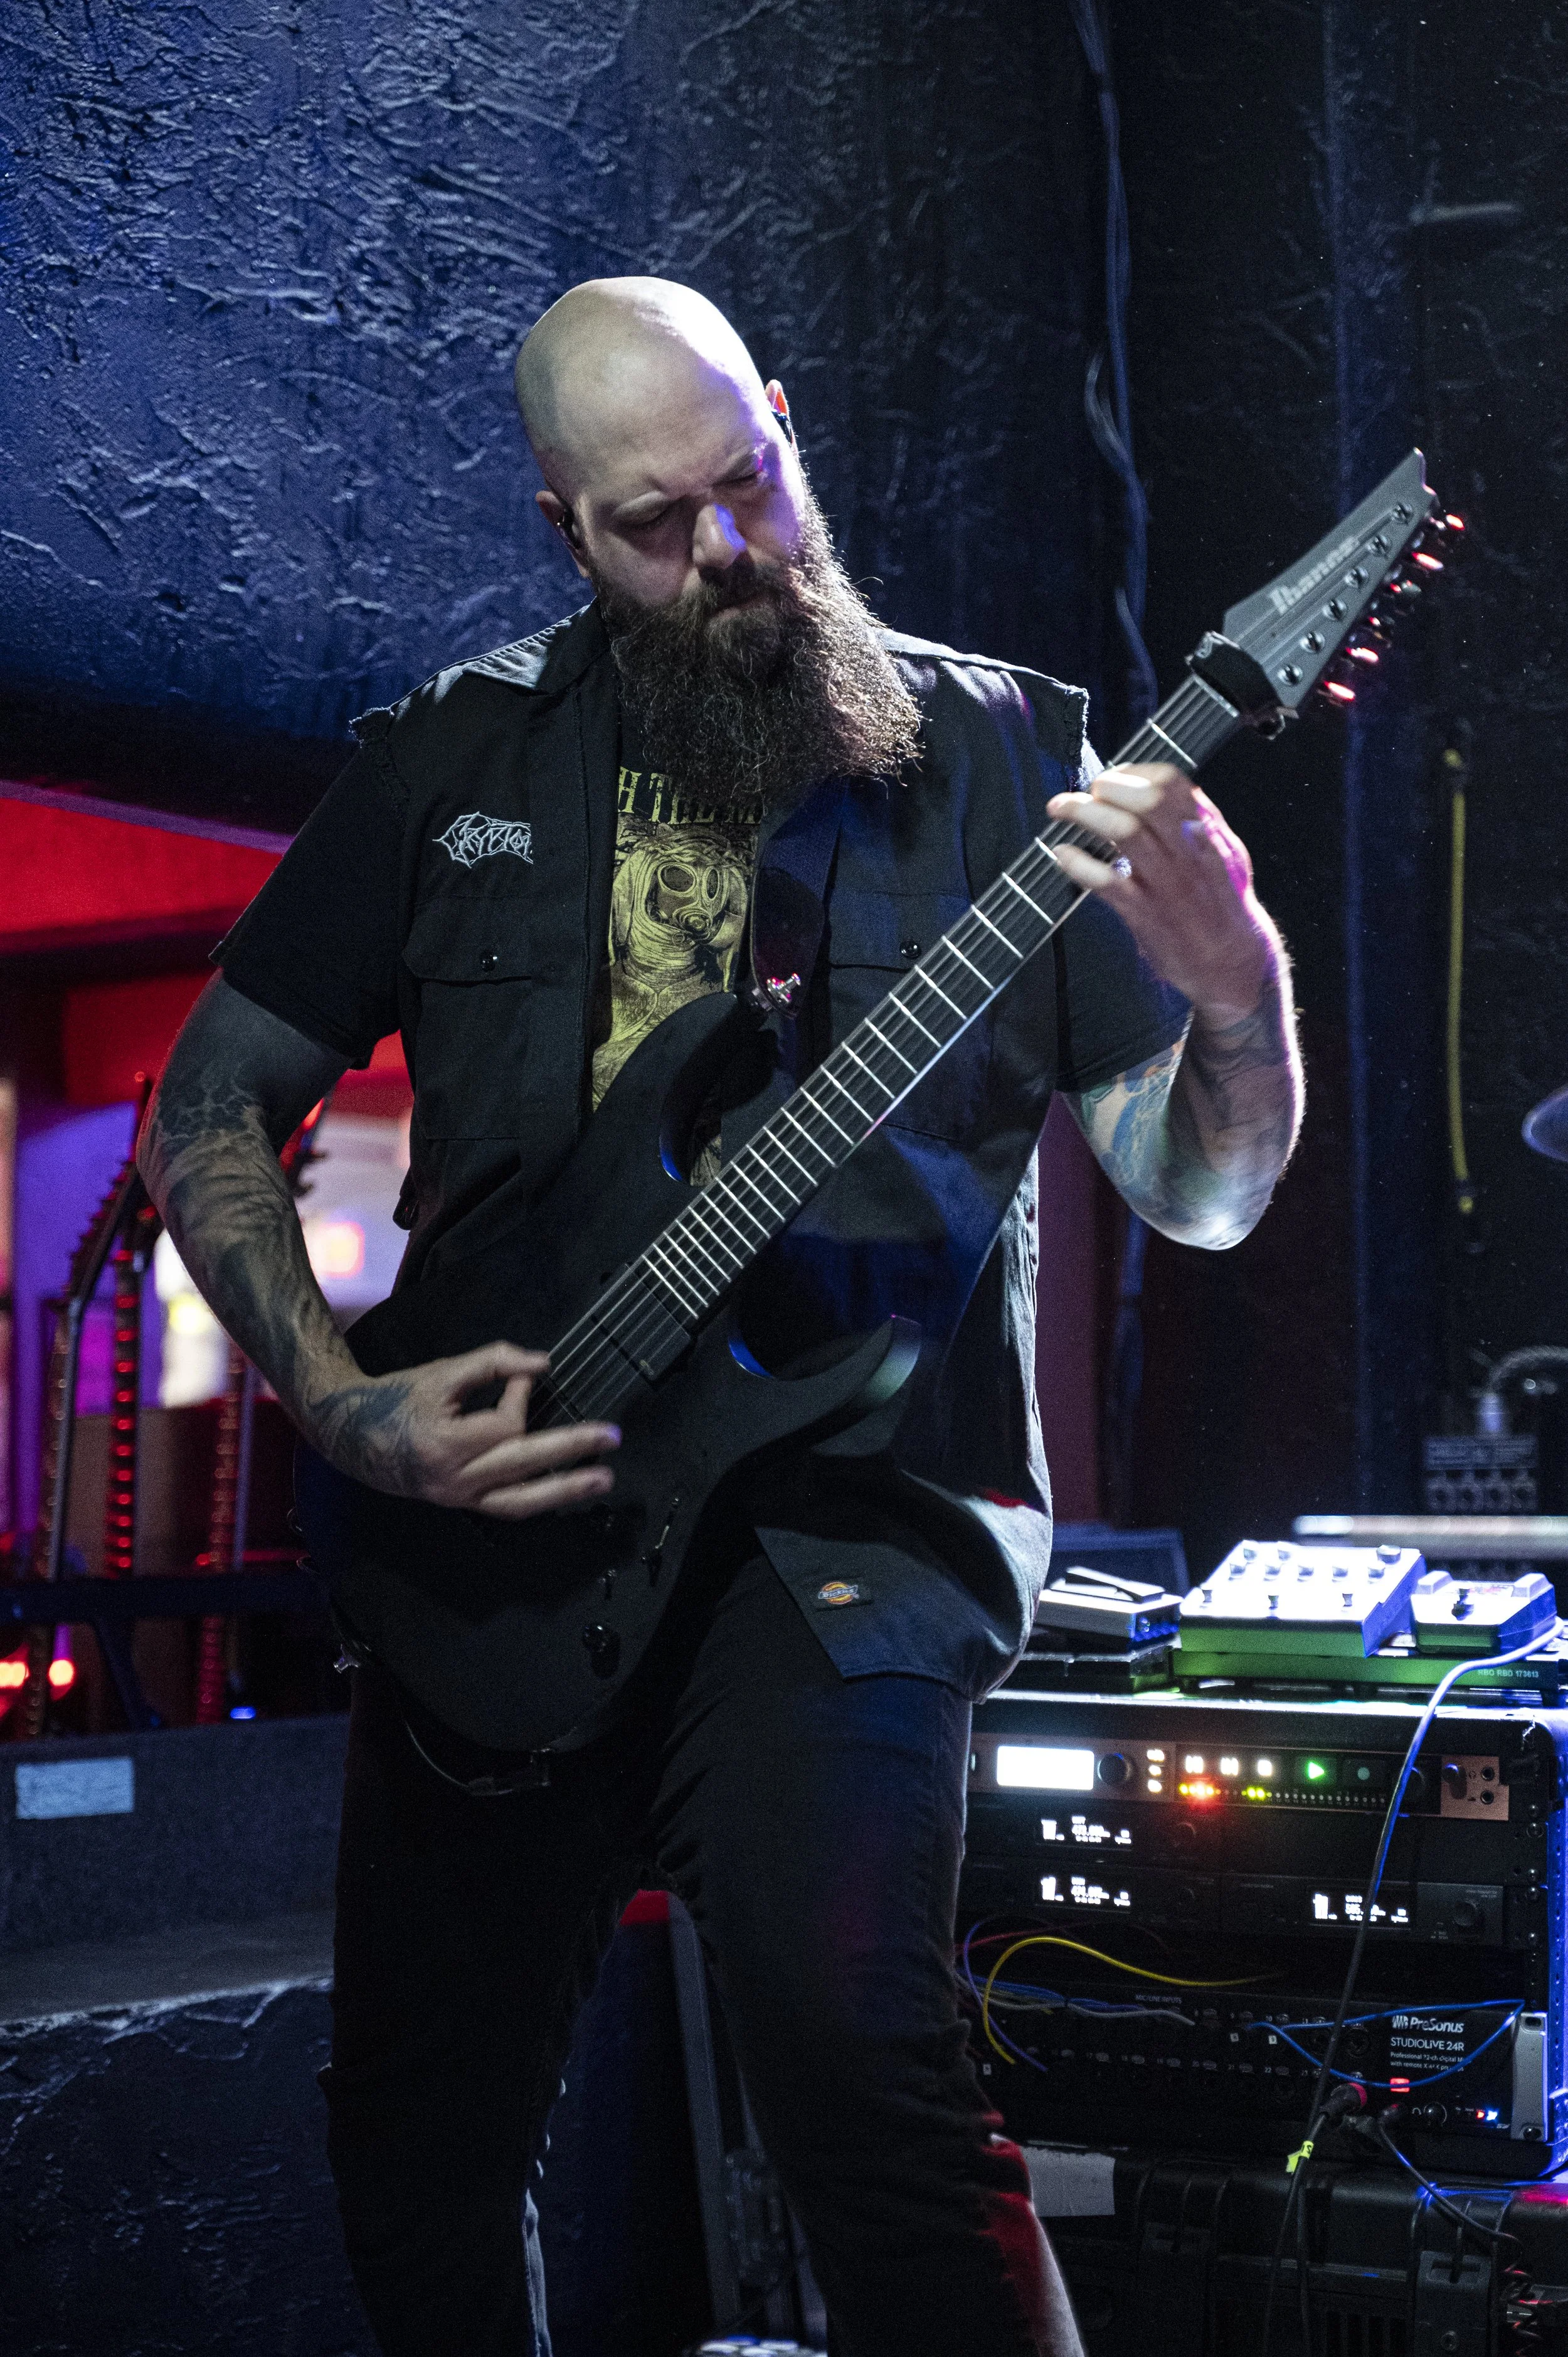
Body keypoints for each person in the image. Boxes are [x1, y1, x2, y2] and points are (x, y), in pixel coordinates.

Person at [138, 277, 1303, 2357]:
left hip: (848, 1528)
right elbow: (211, 1091)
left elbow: (1201, 1194)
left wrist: (1238, 988)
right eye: (655, 524)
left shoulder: (1012, 760)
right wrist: (337, 1406)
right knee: (416, 2142)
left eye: (748, 484)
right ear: (564, 530)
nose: (730, 556)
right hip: (490, 1535)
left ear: (784, 419)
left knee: (870, 2097)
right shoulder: (449, 758)